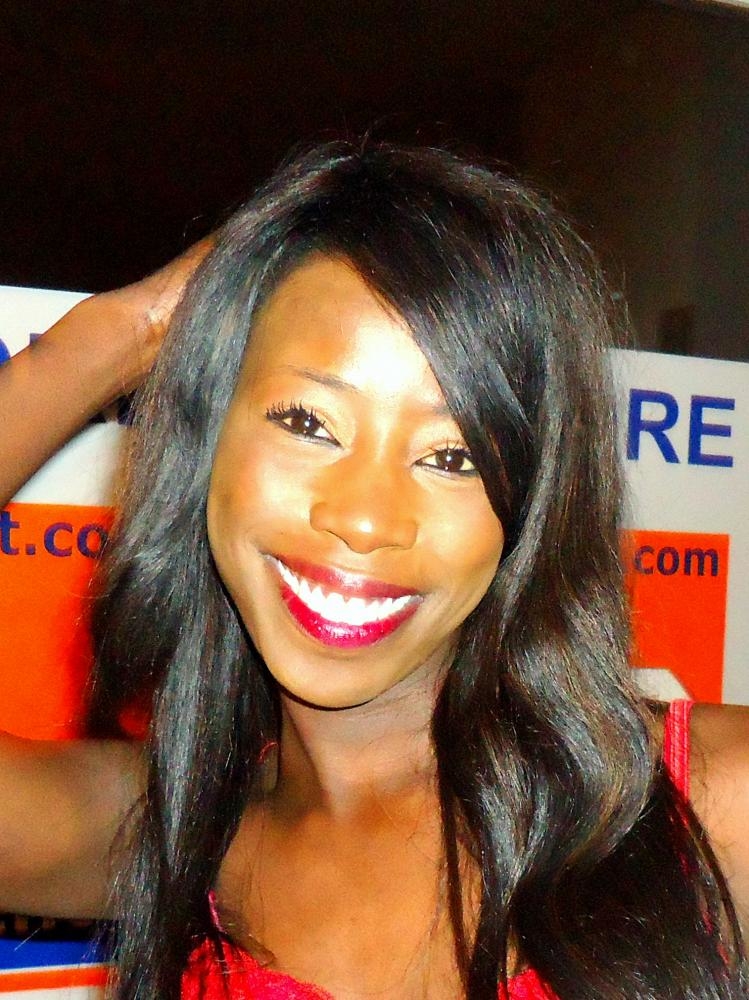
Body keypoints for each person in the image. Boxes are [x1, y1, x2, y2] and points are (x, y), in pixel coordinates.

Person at [0, 142, 748, 1000]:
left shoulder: (710, 802)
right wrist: (124, 333)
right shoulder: (178, 830)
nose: (362, 519)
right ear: (208, 442)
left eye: (452, 457)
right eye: (307, 423)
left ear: (529, 510)